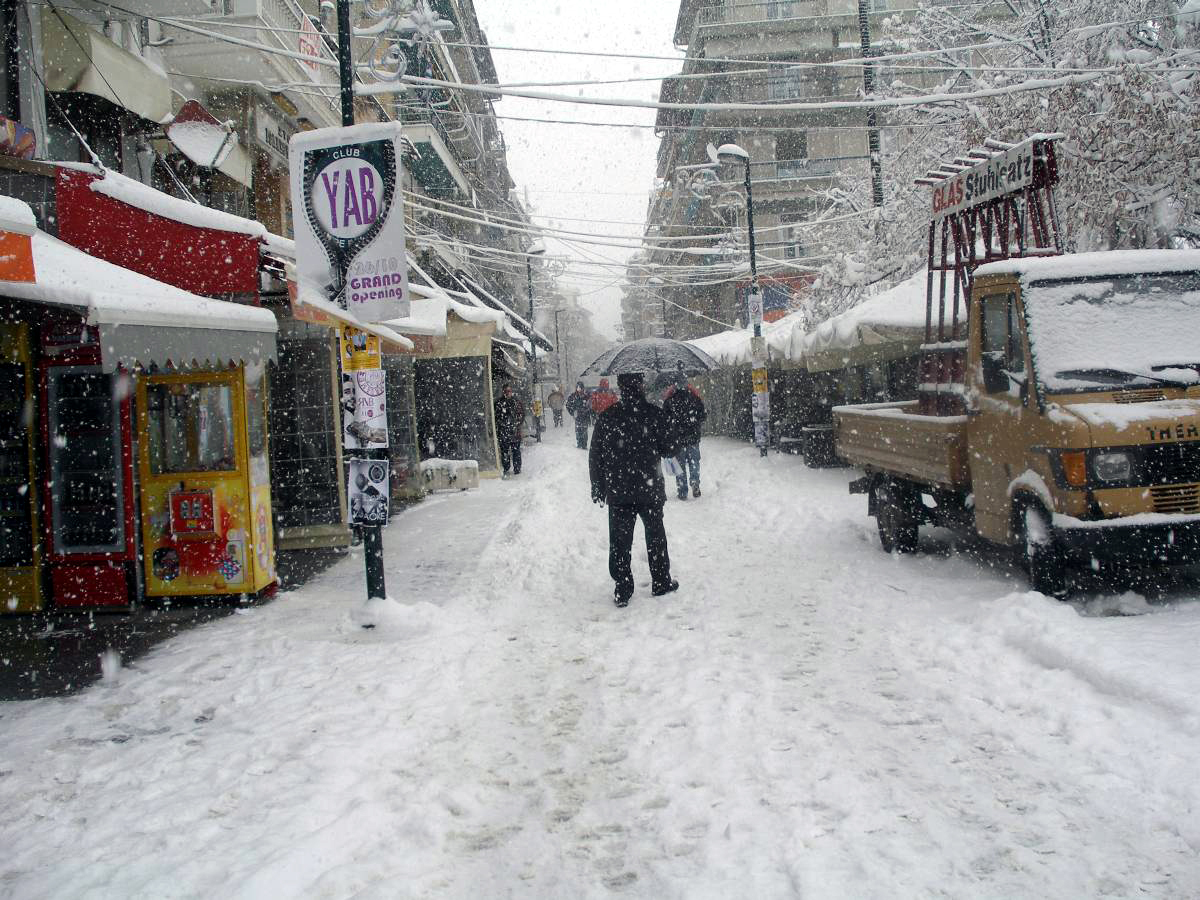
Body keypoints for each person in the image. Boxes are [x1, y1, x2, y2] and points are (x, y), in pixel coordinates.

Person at [589, 372, 680, 608]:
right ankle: (660, 581)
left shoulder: (608, 417)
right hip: (649, 488)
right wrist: (668, 422)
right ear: (641, 385)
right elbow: (670, 449)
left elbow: (596, 455)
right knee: (655, 536)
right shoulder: (654, 414)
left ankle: (622, 587)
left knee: (619, 541)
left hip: (619, 490)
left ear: (620, 387)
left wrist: (598, 485)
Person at [662, 372, 708, 499]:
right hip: (693, 437)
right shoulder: (694, 397)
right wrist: (694, 422)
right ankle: (695, 482)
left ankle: (682, 491)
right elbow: (703, 415)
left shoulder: (670, 400)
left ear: (674, 385)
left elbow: (664, 420)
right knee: (694, 462)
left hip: (677, 439)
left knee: (680, 465)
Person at [493, 383, 523, 476]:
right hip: (504, 432)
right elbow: (496, 417)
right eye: (506, 391)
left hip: (514, 432)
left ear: (511, 392)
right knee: (505, 452)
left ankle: (517, 469)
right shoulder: (498, 403)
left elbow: (521, 415)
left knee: (516, 451)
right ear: (503, 392)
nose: (507, 393)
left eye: (509, 391)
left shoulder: (516, 402)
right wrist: (501, 426)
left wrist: (517, 424)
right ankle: (506, 468)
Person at [565, 381, 592, 449]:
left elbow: (590, 406)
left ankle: (584, 445)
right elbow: (568, 405)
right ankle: (579, 444)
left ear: (583, 388)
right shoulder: (573, 396)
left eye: (580, 388)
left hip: (585, 417)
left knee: (584, 432)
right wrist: (572, 412)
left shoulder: (586, 396)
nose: (579, 389)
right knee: (578, 431)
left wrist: (588, 412)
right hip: (577, 417)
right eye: (578, 388)